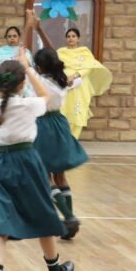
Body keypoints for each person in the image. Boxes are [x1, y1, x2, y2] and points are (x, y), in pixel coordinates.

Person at [0, 53, 74, 271]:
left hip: (1, 163)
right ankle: (54, 270)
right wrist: (28, 69)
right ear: (22, 84)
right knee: (43, 214)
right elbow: (46, 96)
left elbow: (1, 97)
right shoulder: (28, 105)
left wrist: (14, 74)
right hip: (27, 161)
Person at [33, 43, 88, 239]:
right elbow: (52, 53)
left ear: (39, 68)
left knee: (45, 176)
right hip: (60, 125)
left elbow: (25, 60)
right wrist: (39, 30)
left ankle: (68, 217)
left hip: (43, 126)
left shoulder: (39, 81)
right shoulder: (62, 79)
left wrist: (31, 29)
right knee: (60, 176)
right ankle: (68, 221)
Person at [37, 25, 112, 138]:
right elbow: (56, 67)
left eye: (73, 36)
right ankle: (63, 138)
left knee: (78, 112)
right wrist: (64, 78)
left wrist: (74, 76)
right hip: (64, 85)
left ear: (78, 38)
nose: (71, 38)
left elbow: (89, 67)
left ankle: (74, 138)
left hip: (80, 86)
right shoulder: (61, 52)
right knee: (63, 110)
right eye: (68, 36)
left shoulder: (84, 52)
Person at [0, 25, 33, 101]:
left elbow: (27, 66)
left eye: (14, 36)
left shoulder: (25, 51)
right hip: (4, 85)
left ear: (19, 37)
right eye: (9, 36)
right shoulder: (0, 51)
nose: (12, 38)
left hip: (20, 86)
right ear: (6, 38)